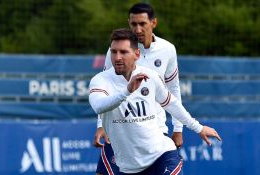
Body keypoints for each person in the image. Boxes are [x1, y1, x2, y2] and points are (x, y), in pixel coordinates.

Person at [89, 28, 221, 175]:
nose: (117, 57)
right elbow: (98, 106)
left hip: (161, 155)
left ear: (137, 54)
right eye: (114, 52)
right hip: (128, 167)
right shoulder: (100, 81)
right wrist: (127, 91)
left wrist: (198, 128)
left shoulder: (150, 77)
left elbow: (172, 104)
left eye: (123, 52)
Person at [94, 3, 184, 175]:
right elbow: (105, 89)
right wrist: (101, 125)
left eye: (142, 24)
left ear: (153, 23)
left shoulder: (167, 50)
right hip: (120, 131)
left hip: (155, 131)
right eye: (133, 24)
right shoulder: (116, 51)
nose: (137, 29)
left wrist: (178, 128)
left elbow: (174, 89)